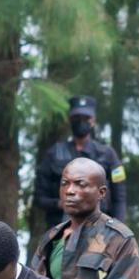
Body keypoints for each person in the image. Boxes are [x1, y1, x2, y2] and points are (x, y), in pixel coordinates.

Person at [31, 96, 126, 236]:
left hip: (99, 232)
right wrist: (60, 204)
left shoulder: (108, 155)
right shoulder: (53, 154)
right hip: (61, 231)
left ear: (93, 121)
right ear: (70, 120)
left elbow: (120, 197)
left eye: (86, 118)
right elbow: (39, 197)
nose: (81, 122)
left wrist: (118, 230)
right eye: (77, 118)